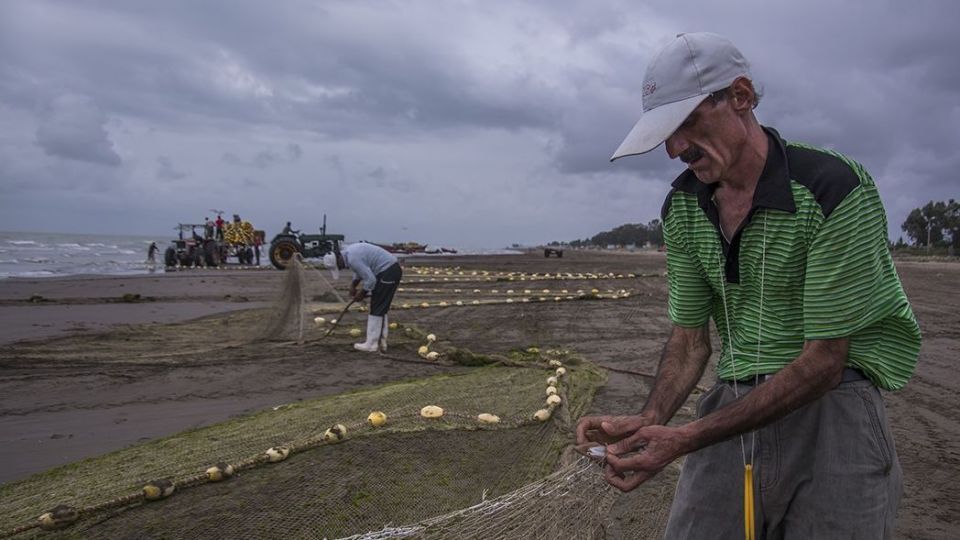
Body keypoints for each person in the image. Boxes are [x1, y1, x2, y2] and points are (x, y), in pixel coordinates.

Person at [575, 32, 920, 538]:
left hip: (835, 411)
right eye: (664, 135)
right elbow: (691, 340)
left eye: (686, 123)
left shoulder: (832, 189)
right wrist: (650, 420)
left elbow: (825, 361)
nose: (675, 149)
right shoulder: (684, 208)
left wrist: (686, 436)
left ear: (740, 97)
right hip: (731, 404)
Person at [322, 242, 402, 352]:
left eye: (339, 267)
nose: (340, 269)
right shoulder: (349, 253)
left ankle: (372, 344)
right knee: (380, 306)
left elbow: (370, 280)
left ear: (339, 259)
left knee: (378, 306)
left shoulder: (352, 258)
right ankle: (381, 343)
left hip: (388, 271)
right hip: (388, 270)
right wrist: (353, 285)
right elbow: (360, 270)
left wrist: (362, 293)